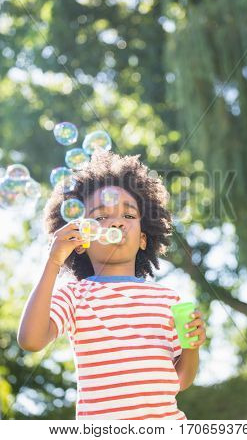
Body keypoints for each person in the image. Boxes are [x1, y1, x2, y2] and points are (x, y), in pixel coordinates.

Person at [17, 150, 206, 420]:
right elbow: (31, 340)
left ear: (143, 239)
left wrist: (192, 346)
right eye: (101, 217)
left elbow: (180, 380)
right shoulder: (74, 295)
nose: (117, 222)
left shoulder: (167, 300)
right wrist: (53, 261)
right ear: (80, 240)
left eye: (128, 217)